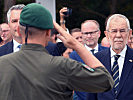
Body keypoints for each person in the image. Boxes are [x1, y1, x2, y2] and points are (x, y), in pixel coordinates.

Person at [0, 3, 114, 100]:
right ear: (49, 32)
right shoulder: (62, 66)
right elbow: (105, 81)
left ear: (19, 31)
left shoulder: (2, 64)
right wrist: (77, 45)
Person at [86, 14, 133, 100]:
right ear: (107, 34)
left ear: (129, 33)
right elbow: (91, 94)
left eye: (122, 31)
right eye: (114, 31)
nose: (118, 35)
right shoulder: (96, 59)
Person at [69, 20, 107, 100]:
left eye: (92, 33)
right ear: (82, 35)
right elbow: (76, 82)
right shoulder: (74, 55)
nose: (89, 36)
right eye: (86, 33)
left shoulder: (108, 52)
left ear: (99, 33)